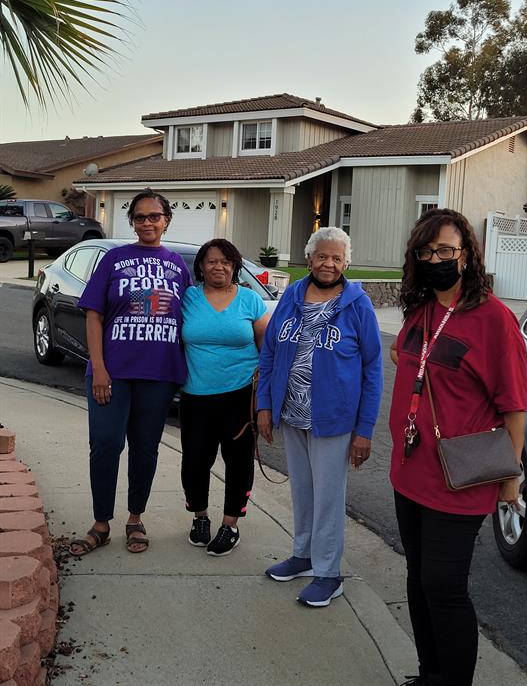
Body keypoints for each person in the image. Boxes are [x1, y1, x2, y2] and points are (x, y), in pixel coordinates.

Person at [389, 209, 527, 686]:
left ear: (466, 256)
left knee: (443, 587)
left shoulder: (494, 319)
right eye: (426, 252)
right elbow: (406, 357)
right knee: (418, 581)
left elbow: (513, 404)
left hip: (459, 478)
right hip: (409, 472)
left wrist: (510, 478)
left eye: (446, 251)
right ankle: (430, 674)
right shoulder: (421, 310)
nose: (435, 260)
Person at [257, 227, 383, 607]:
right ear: (309, 258)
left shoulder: (357, 304)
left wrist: (364, 430)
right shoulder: (292, 296)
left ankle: (329, 574)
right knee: (303, 491)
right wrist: (265, 405)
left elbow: (373, 368)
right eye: (322, 256)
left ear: (346, 263)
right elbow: (270, 354)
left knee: (328, 497)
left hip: (335, 419)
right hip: (293, 413)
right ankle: (304, 556)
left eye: (337, 258)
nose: (329, 264)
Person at [70, 189, 192, 556]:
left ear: (166, 220)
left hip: (159, 374)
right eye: (140, 217)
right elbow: (94, 315)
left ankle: (135, 518)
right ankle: (101, 523)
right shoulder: (113, 259)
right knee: (105, 444)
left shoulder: (179, 267)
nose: (148, 223)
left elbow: (192, 319)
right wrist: (100, 368)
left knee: (146, 449)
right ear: (132, 222)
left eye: (154, 216)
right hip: (113, 372)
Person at [180, 238, 269, 556]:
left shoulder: (250, 300)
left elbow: (266, 349)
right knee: (194, 461)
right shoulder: (188, 297)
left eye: (226, 261)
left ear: (235, 266)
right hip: (195, 395)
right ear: (201, 267)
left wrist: (266, 400)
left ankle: (230, 524)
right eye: (211, 261)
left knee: (238, 462)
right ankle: (200, 517)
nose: (219, 266)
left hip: (240, 396)